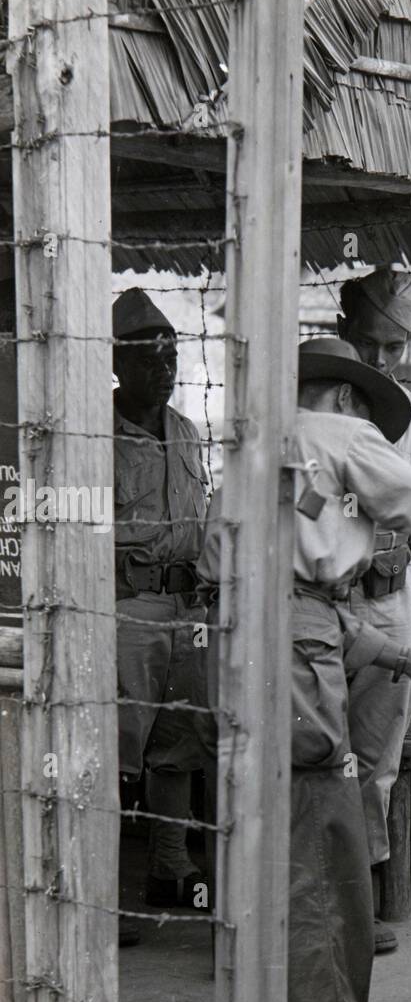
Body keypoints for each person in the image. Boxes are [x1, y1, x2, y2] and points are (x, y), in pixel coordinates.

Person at [198, 337, 411, 1002]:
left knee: (267, 852)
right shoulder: (337, 437)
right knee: (324, 854)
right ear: (348, 399)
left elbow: (280, 594)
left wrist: (403, 659)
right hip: (297, 663)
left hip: (238, 652)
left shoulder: (249, 448)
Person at [337, 268, 411, 952]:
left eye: (394, 346)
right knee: (314, 754)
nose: (379, 359)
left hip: (390, 606)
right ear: (345, 330)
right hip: (322, 610)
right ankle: (307, 898)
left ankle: (362, 902)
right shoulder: (316, 410)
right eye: (368, 342)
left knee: (374, 764)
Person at [112, 288, 212, 939]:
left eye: (172, 355)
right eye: (150, 357)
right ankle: (104, 892)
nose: (165, 369)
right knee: (119, 751)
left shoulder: (188, 433)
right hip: (128, 606)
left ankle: (169, 871)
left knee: (179, 748)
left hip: (189, 604)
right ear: (119, 361)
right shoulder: (97, 433)